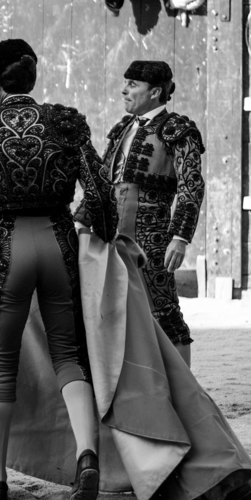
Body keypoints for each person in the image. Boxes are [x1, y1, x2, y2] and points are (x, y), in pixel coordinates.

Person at [0, 38, 115, 500]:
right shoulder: (64, 123)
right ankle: (86, 455)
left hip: (5, 245)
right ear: (31, 81)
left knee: (0, 363)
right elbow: (100, 193)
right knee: (68, 354)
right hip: (57, 242)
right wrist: (99, 235)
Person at [75, 61, 203, 368]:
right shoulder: (122, 128)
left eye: (133, 84)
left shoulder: (178, 131)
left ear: (155, 92)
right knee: (111, 309)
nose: (124, 90)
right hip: (111, 234)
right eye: (126, 82)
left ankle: (182, 387)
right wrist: (80, 221)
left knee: (163, 309)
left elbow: (191, 186)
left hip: (153, 236)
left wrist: (180, 236)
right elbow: (103, 183)